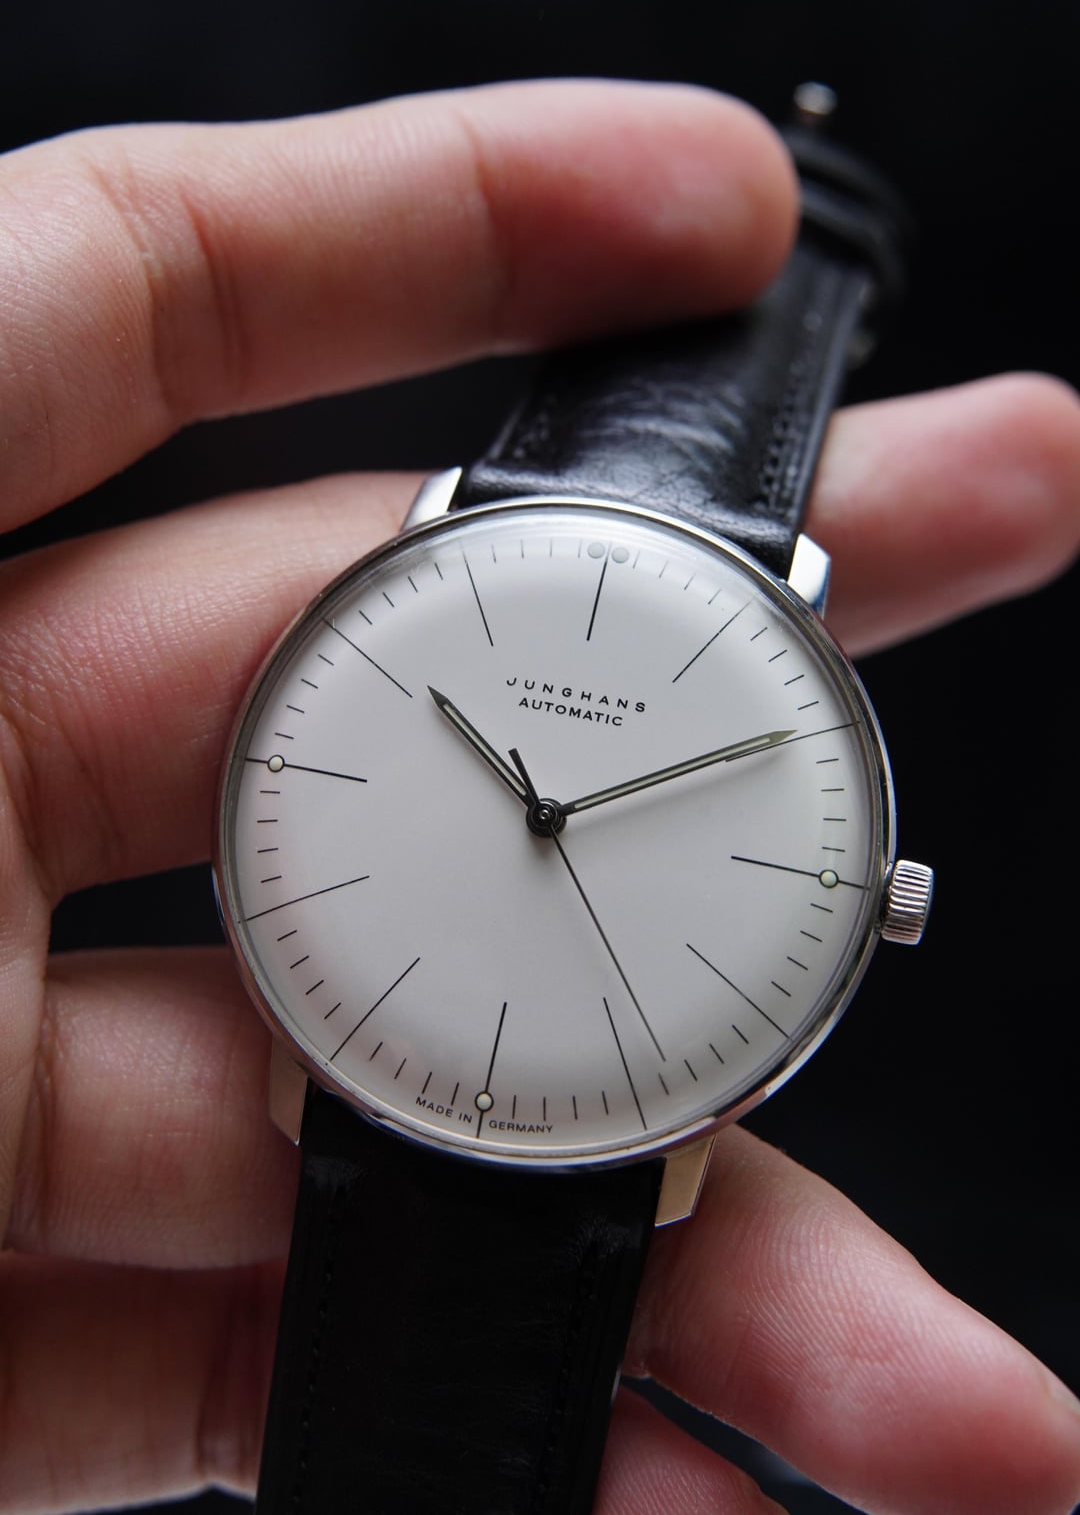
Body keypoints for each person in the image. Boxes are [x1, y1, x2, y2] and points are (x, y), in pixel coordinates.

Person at [1, 78, 1078, 1515]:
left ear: (885, 898)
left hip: (590, 1120)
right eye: (540, 801)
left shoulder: (659, 610)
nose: (547, 810)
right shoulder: (463, 563)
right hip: (381, 1063)